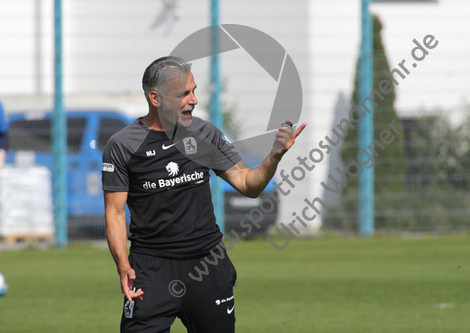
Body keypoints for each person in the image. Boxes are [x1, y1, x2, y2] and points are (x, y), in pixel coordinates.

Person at [102, 56, 306, 333]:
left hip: (207, 265)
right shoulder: (123, 145)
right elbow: (114, 212)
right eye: (183, 94)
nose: (194, 100)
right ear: (155, 98)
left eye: (194, 90)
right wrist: (122, 265)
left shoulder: (204, 134)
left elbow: (249, 184)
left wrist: (274, 157)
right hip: (151, 270)